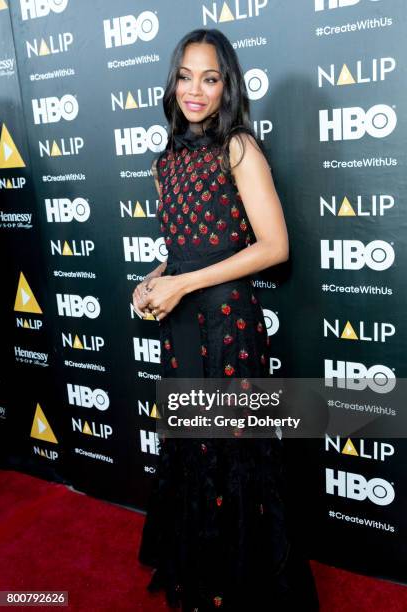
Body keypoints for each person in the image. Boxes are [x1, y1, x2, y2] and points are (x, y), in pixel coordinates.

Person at [133, 28, 319, 611]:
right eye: (186, 76)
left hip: (230, 329)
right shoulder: (164, 163)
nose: (195, 89)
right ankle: (203, 573)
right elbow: (185, 246)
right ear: (172, 82)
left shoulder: (237, 147)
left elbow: (274, 246)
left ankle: (242, 585)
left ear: (226, 86)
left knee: (234, 453)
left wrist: (183, 282)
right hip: (183, 328)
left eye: (209, 78)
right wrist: (152, 279)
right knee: (192, 448)